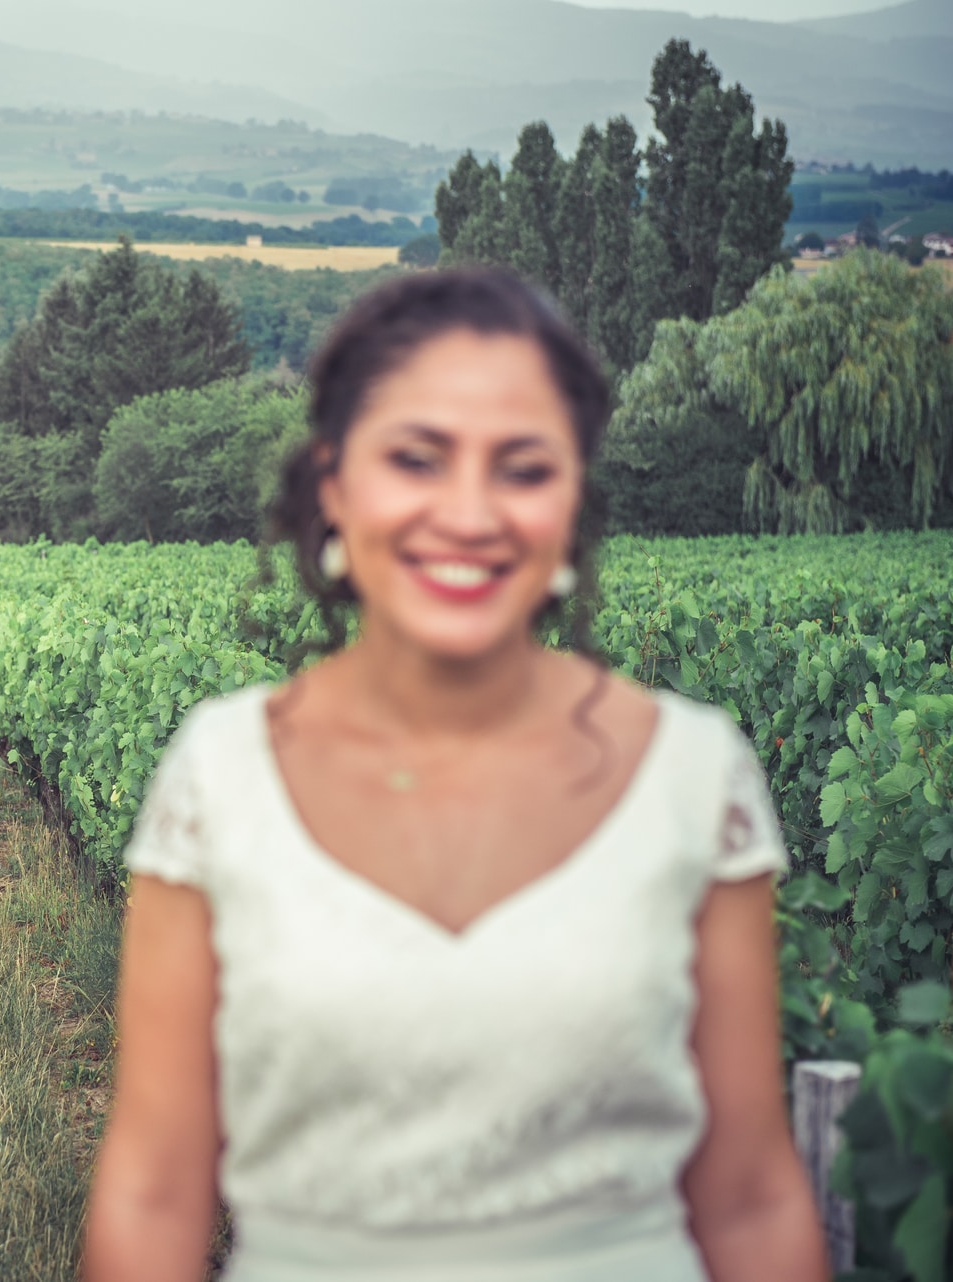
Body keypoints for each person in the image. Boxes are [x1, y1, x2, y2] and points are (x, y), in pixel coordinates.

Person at [82, 271, 827, 1282]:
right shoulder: (219, 778)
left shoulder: (697, 776)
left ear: (573, 501)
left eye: (523, 469)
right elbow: (153, 1192)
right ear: (335, 485)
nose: (469, 514)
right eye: (417, 459)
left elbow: (748, 1199)